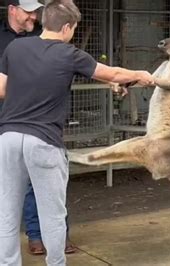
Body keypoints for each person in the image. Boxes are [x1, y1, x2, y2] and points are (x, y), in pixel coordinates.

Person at [0, 0, 155, 265]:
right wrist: (141, 74)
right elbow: (113, 73)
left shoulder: (16, 47)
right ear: (67, 27)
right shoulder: (69, 53)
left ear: (44, 20)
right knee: (53, 214)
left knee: (7, 211)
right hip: (44, 141)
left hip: (8, 138)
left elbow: (2, 89)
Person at [0, 0, 77, 255]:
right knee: (18, 199)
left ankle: (37, 236)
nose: (33, 16)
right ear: (12, 9)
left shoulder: (36, 39)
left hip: (23, 127)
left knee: (32, 191)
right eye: (29, 11)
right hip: (17, 125)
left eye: (37, 12)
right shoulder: (12, 43)